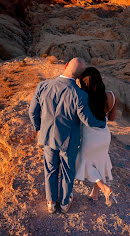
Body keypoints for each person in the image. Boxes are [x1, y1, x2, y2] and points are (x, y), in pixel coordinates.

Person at [29, 57, 106, 214]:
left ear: (65, 66)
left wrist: (39, 128)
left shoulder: (43, 86)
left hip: (47, 137)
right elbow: (87, 120)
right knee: (67, 170)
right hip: (68, 140)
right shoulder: (80, 95)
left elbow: (32, 112)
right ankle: (64, 203)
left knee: (50, 169)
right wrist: (101, 123)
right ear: (79, 76)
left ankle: (51, 203)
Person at [75, 67, 118, 206]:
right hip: (105, 135)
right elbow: (111, 118)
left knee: (84, 161)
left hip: (90, 135)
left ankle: (104, 188)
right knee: (100, 162)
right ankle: (95, 194)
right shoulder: (111, 96)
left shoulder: (83, 96)